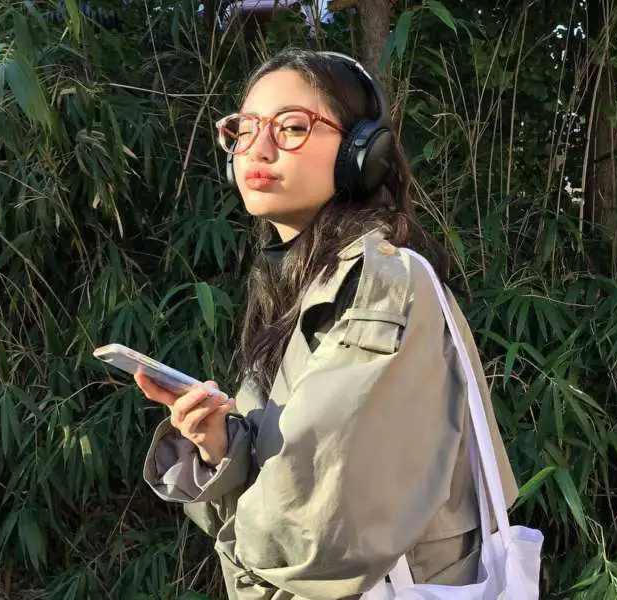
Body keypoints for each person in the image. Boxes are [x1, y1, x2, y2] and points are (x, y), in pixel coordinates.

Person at [136, 49, 518, 600]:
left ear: (362, 151)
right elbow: (287, 475)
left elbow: (314, 529)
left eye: (292, 127)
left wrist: (236, 544)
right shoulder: (296, 284)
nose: (258, 148)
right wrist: (218, 444)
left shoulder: (382, 285)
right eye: (245, 129)